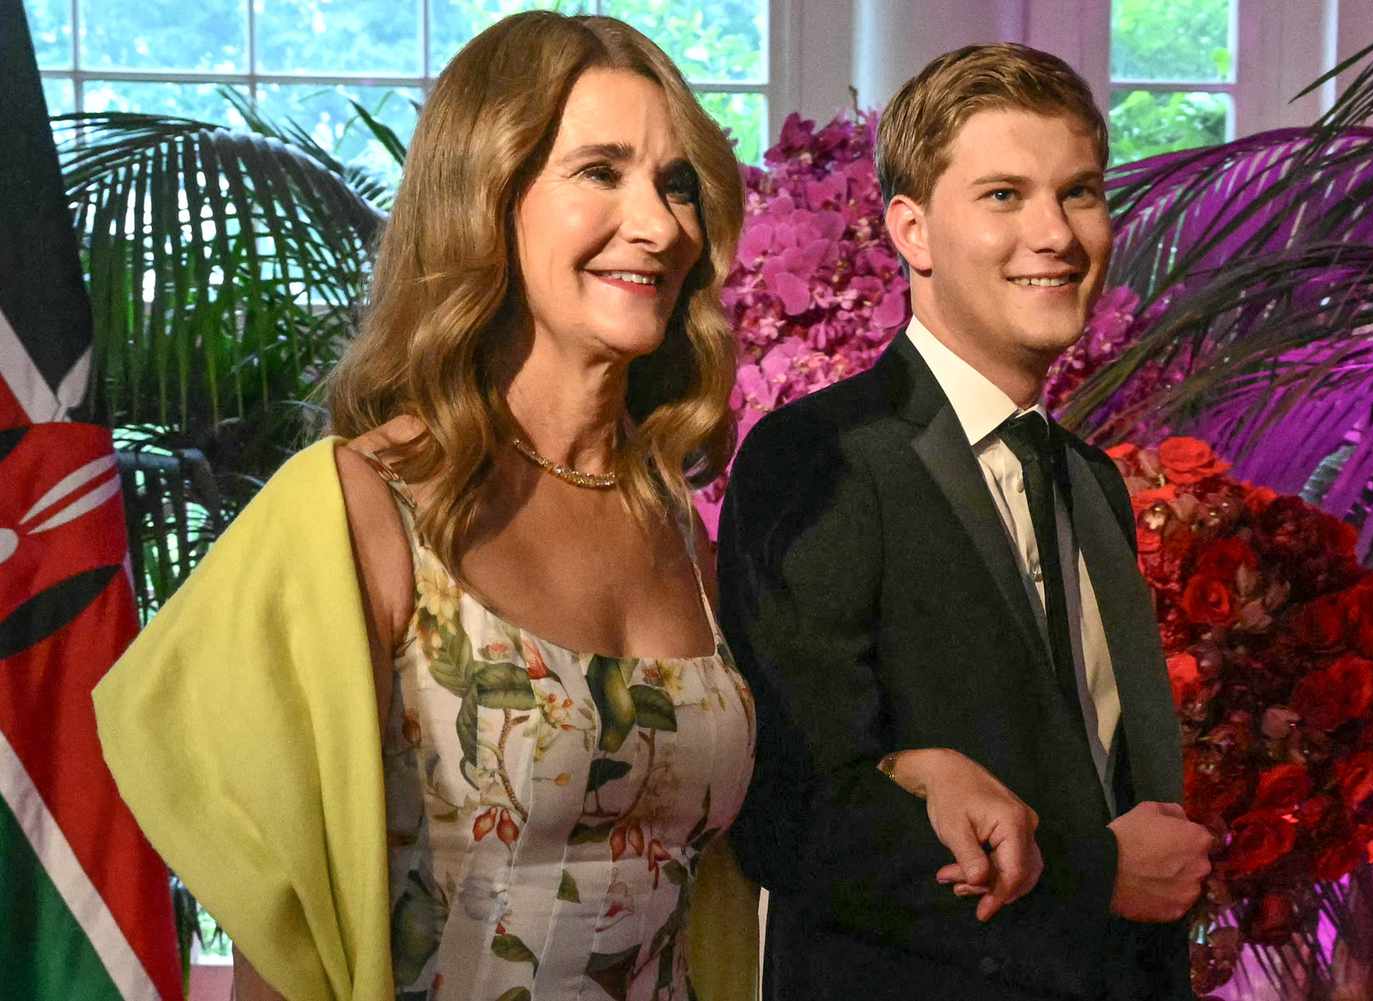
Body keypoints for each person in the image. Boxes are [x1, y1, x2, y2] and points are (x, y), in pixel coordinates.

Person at [93, 12, 759, 1001]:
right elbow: (289, 928)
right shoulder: (361, 509)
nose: (660, 224)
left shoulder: (678, 523)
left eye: (675, 184)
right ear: (488, 197)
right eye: (600, 171)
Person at [717, 43, 1215, 1001]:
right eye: (1002, 196)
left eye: (1078, 193)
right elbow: (793, 810)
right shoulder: (819, 455)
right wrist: (1098, 877)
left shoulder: (1088, 479)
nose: (1056, 234)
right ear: (912, 231)